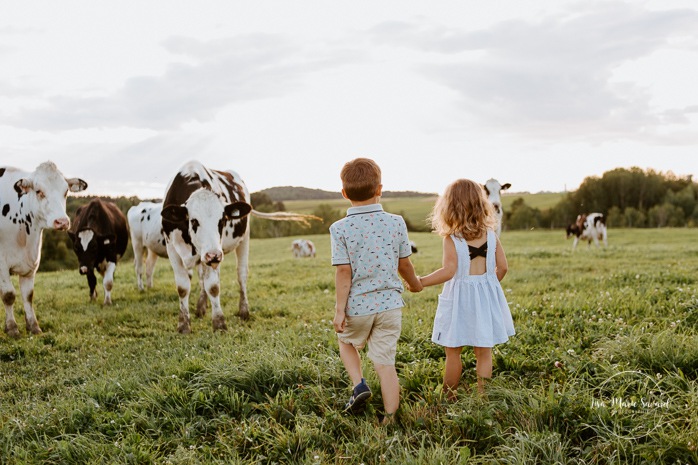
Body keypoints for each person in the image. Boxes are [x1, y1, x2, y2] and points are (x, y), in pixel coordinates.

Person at [330, 158, 423, 424]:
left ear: (345, 193)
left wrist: (339, 311)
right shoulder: (396, 223)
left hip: (358, 307)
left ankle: (359, 384)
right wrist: (415, 283)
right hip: (390, 306)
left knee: (346, 341)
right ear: (379, 189)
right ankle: (390, 419)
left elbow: (343, 272)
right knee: (385, 364)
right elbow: (404, 264)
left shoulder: (340, 228)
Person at [419, 179, 515, 398]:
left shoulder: (452, 239)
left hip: (459, 300)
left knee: (453, 351)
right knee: (484, 352)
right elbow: (504, 267)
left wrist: (422, 281)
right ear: (482, 205)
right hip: (485, 298)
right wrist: (488, 286)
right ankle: (483, 397)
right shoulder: (492, 235)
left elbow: (448, 271)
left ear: (449, 207)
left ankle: (449, 395)